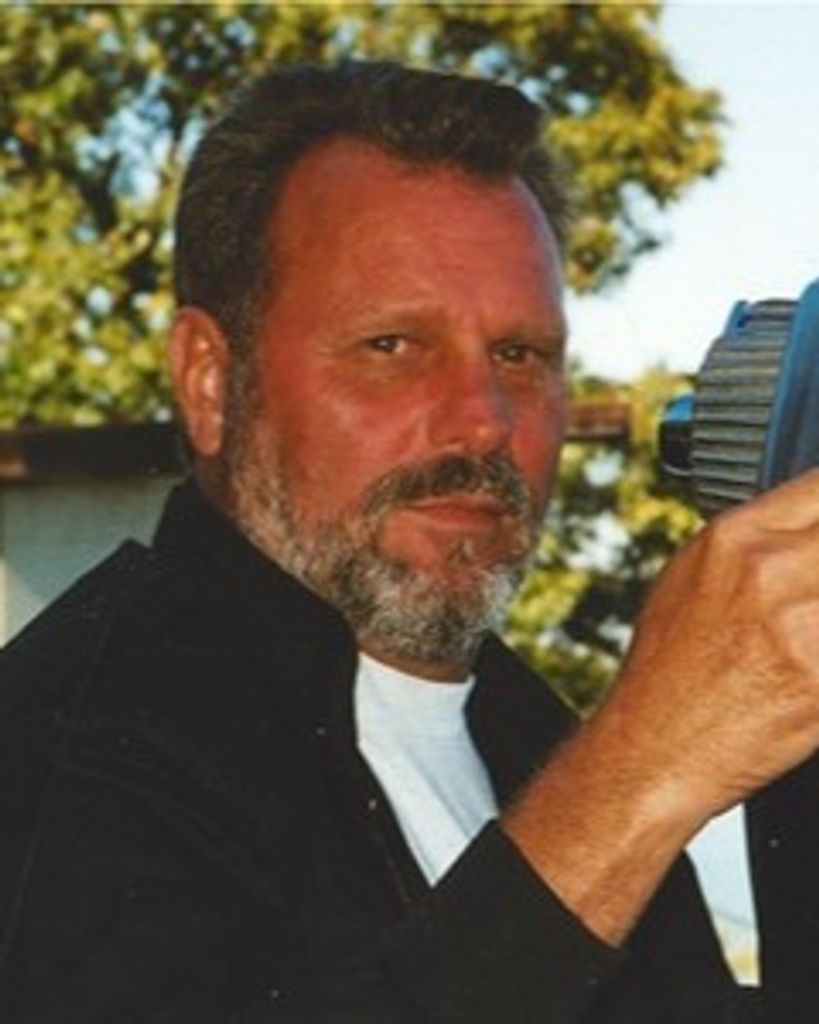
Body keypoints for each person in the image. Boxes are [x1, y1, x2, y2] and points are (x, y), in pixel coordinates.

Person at [1, 59, 819, 1023]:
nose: (483, 420)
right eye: (393, 346)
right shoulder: (64, 750)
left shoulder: (531, 739)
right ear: (210, 382)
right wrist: (637, 777)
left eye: (519, 354)